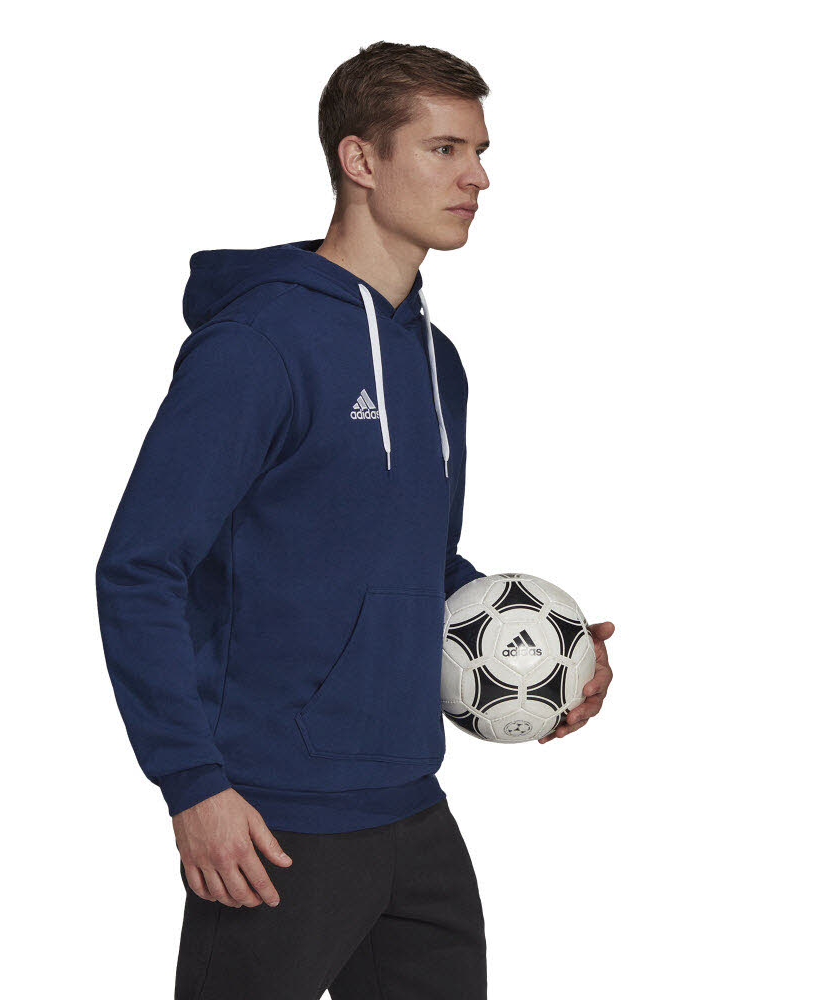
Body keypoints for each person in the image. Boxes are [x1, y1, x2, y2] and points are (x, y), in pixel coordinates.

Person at [95, 40, 614, 1000]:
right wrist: (193, 785)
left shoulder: (437, 362)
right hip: (272, 820)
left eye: (480, 151)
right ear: (360, 159)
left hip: (413, 808)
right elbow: (140, 568)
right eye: (446, 149)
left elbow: (413, 556)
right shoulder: (256, 347)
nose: (478, 178)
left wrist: (545, 648)